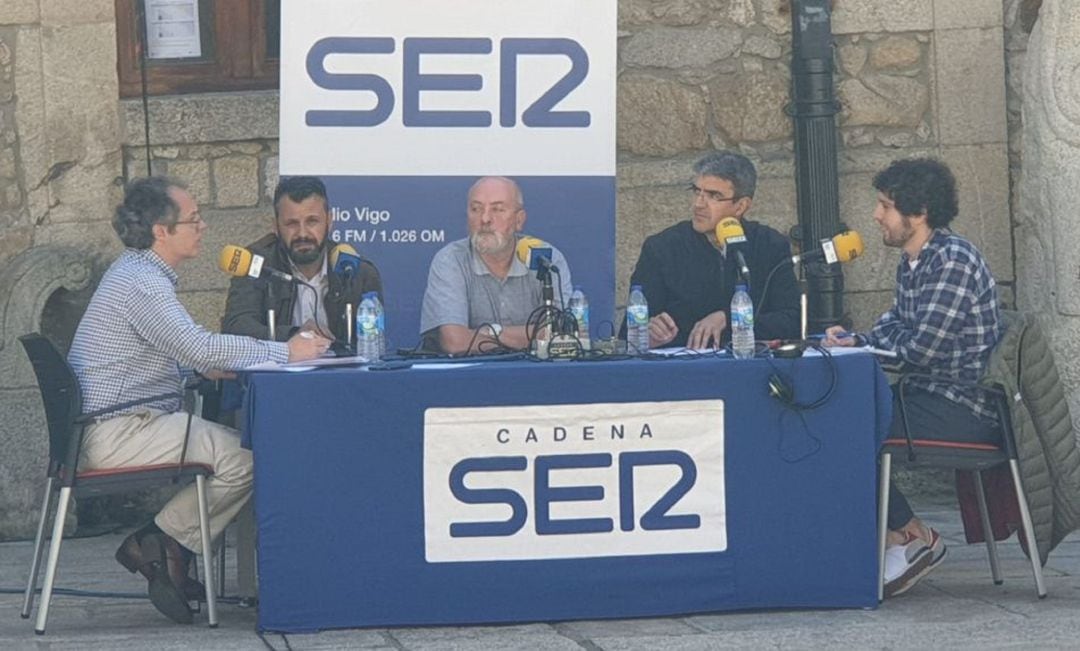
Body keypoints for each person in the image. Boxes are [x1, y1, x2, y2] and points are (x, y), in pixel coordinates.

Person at [67, 177, 331, 623]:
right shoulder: (142, 285)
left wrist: (198, 366)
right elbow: (203, 347)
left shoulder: (137, 274)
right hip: (117, 429)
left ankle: (169, 549)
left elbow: (186, 353)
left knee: (238, 449)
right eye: (192, 220)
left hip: (118, 423)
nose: (203, 227)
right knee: (247, 457)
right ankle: (161, 541)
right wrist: (288, 352)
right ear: (160, 232)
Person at [822, 158, 1002, 597]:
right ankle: (898, 535)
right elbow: (893, 329)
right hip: (927, 392)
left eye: (885, 206)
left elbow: (922, 349)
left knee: (845, 426)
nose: (876, 215)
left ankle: (912, 534)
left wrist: (882, 341)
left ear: (918, 213)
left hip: (961, 405)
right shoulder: (914, 261)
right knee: (832, 416)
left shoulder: (952, 259)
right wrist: (854, 341)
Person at [626, 150, 799, 349]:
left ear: (741, 206)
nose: (698, 204)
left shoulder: (769, 245)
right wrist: (649, 337)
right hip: (682, 372)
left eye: (713, 196)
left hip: (750, 368)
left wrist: (728, 318)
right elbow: (629, 334)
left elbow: (792, 320)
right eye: (696, 191)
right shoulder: (661, 248)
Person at [420, 176, 573, 355]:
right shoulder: (451, 259)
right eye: (476, 209)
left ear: (519, 220)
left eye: (498, 209)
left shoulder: (546, 258)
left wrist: (490, 332)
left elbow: (560, 335)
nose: (485, 219)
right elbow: (455, 342)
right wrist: (531, 335)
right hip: (469, 377)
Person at [221, 176, 383, 345]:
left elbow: (372, 342)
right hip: (277, 369)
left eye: (312, 221)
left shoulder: (356, 270)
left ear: (329, 221)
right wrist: (294, 334)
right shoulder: (255, 265)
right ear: (275, 227)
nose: (303, 234)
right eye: (291, 224)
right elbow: (235, 329)